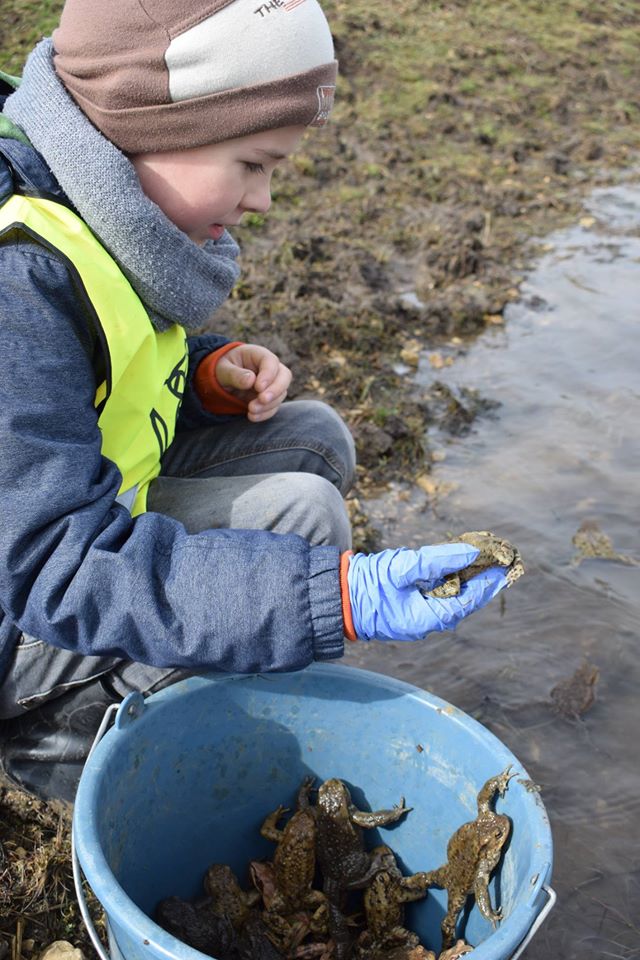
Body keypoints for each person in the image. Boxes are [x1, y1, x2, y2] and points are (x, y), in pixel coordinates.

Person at [0, 0, 508, 802]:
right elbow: (51, 567)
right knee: (304, 523)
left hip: (89, 507)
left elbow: (92, 371)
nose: (265, 200)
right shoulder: (18, 280)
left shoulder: (92, 203)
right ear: (154, 124)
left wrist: (204, 377)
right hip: (31, 600)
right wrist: (328, 598)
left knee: (312, 440)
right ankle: (52, 739)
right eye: (254, 163)